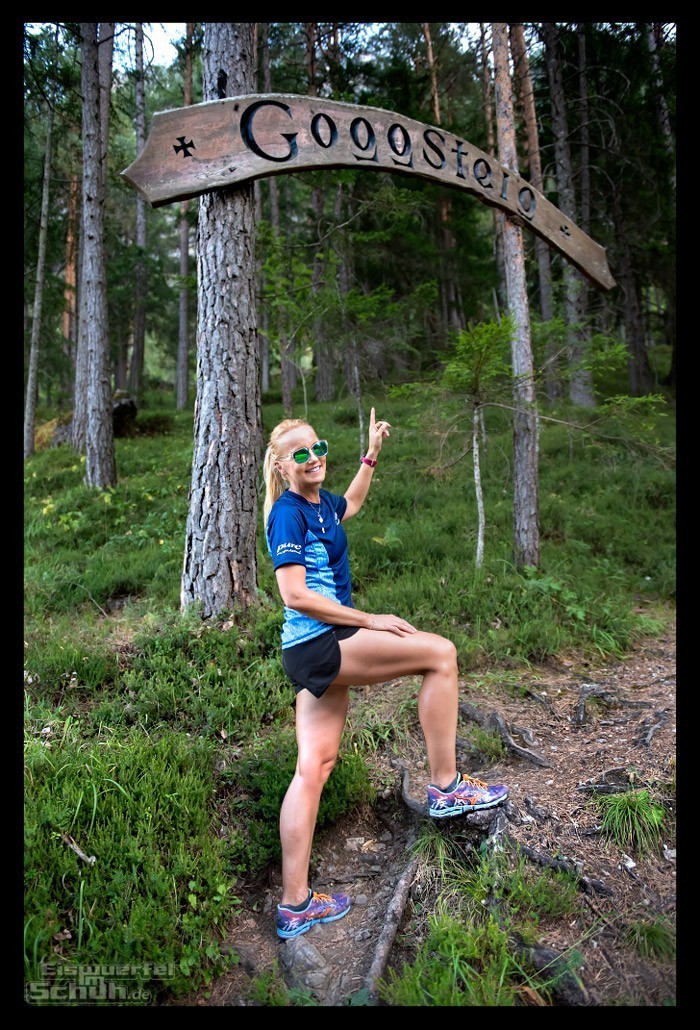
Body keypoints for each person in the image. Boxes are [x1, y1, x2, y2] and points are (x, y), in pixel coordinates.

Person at [263, 407, 509, 940]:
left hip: (311, 651)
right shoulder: (287, 512)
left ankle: (295, 904)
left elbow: (350, 504)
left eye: (318, 447)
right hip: (321, 642)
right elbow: (294, 594)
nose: (314, 458)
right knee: (440, 654)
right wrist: (369, 618)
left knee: (314, 768)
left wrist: (371, 453)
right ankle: (446, 786)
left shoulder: (321, 505)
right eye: (300, 454)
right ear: (282, 466)